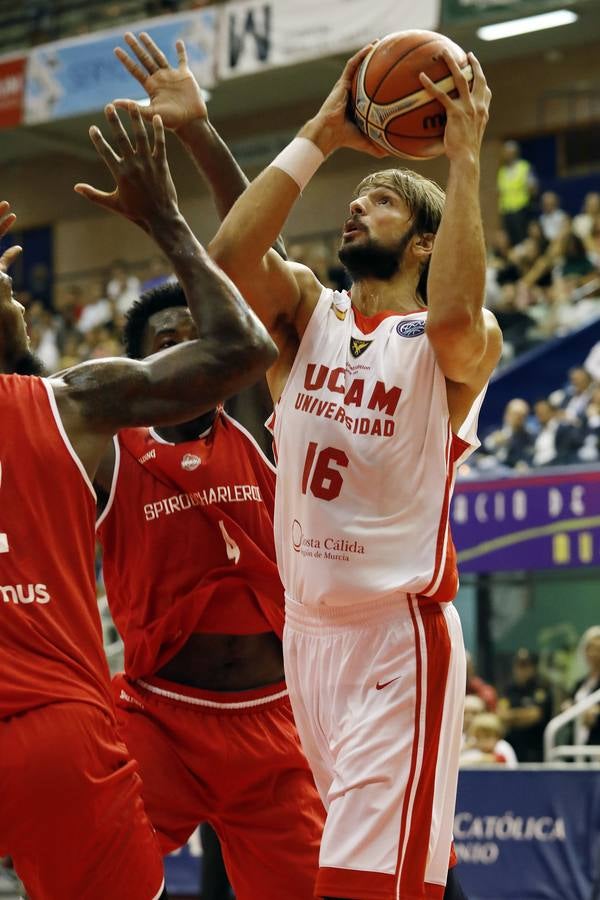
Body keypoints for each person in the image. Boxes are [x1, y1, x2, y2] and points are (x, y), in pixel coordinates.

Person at [205, 40, 501, 900]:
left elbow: (451, 314)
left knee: (359, 886)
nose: (356, 208)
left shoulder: (457, 345)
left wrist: (464, 154)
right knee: (393, 878)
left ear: (424, 243)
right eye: (358, 196)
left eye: (380, 201)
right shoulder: (307, 316)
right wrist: (324, 133)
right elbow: (230, 259)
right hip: (308, 640)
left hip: (397, 638)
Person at [0, 103, 276, 900]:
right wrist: (164, 217)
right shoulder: (72, 407)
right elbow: (241, 346)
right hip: (78, 723)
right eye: (7, 294)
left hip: (261, 712)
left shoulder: (219, 426)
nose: (21, 300)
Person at [91, 31, 324, 900]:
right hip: (160, 717)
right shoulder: (108, 446)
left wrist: (197, 132)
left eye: (197, 337)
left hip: (274, 721)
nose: (190, 354)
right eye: (166, 345)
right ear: (134, 374)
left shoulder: (256, 414)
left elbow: (255, 261)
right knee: (92, 874)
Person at [497, 649, 553, 763]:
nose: (522, 670)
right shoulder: (509, 688)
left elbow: (535, 715)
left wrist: (512, 717)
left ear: (533, 667)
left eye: (526, 665)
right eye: (519, 665)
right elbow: (501, 716)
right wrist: (523, 715)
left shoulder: (542, 687)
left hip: (535, 748)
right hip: (512, 745)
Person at [496, 140, 537, 245]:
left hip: (522, 210)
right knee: (510, 241)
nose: (507, 155)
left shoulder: (524, 167)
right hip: (507, 211)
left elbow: (533, 187)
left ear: (515, 153)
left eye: (509, 152)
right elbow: (500, 193)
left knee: (522, 239)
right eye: (505, 153)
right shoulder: (502, 171)